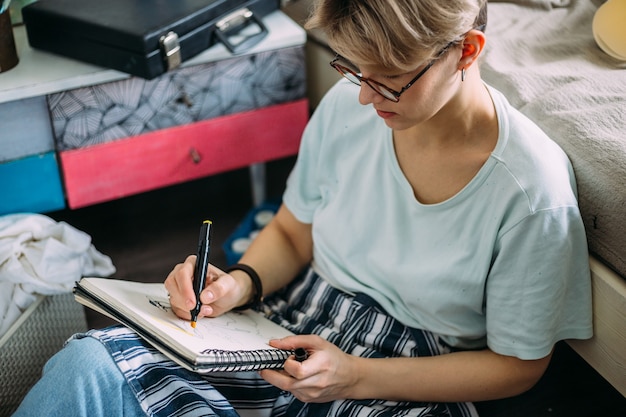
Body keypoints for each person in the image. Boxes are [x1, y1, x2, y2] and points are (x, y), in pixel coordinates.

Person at [13, 0, 593, 416]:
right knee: (90, 367)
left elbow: (519, 366)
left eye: (389, 80)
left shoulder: (530, 194)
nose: (365, 96)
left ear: (466, 50)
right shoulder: (351, 104)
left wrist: (356, 376)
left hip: (407, 373)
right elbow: (291, 233)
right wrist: (236, 286)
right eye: (353, 70)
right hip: (289, 324)